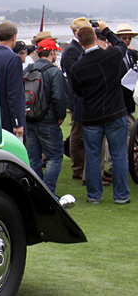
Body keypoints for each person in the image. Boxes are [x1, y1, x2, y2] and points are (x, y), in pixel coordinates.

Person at [67, 23, 130, 205]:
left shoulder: (77, 67)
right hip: (115, 112)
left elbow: (78, 91)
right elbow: (121, 45)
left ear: (79, 42)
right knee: (118, 155)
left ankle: (94, 195)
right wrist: (106, 29)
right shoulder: (110, 55)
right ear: (96, 38)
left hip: (92, 115)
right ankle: (121, 195)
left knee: (93, 156)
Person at [24, 39, 68, 195]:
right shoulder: (54, 71)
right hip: (48, 120)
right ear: (52, 52)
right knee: (54, 157)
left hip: (30, 117)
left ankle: (37, 192)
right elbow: (59, 97)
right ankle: (48, 192)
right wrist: (60, 115)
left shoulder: (28, 69)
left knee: (33, 158)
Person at [0, 21, 26, 139]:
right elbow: (14, 92)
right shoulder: (14, 59)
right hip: (8, 119)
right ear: (14, 37)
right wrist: (18, 122)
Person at [61, 17, 89, 180]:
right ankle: (78, 167)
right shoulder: (72, 50)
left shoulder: (76, 49)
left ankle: (84, 166)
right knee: (77, 134)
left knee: (82, 134)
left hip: (82, 97)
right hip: (77, 98)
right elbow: (76, 75)